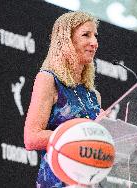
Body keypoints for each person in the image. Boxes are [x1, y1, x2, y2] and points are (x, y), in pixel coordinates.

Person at [24, 11, 101, 188]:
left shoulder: (94, 95)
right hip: (57, 181)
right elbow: (31, 137)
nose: (94, 43)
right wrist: (82, 135)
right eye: (85, 35)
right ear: (66, 40)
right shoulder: (48, 80)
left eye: (95, 36)